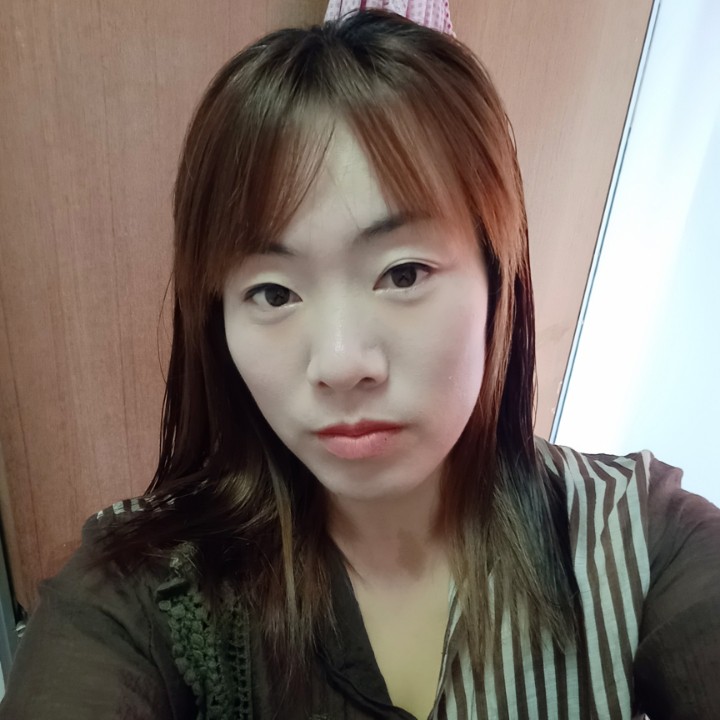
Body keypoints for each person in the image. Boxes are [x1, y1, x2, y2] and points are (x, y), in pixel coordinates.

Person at [1, 9, 719, 720]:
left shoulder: (638, 540)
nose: (342, 364)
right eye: (274, 292)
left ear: (498, 280)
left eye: (403, 274)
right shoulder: (144, 588)